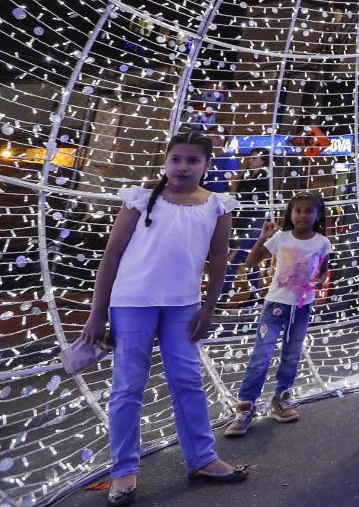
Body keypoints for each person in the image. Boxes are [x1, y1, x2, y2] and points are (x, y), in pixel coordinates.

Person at [80, 132, 249, 506]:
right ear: (166, 161)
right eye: (176, 159)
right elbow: (111, 257)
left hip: (184, 307)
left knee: (187, 381)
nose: (183, 167)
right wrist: (97, 313)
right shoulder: (140, 200)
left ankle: (202, 458)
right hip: (131, 305)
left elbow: (219, 259)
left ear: (207, 164)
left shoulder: (217, 206)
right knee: (127, 387)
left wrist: (209, 308)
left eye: (192, 160)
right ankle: (123, 469)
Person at [224, 192, 332, 436]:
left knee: (292, 354)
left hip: (302, 307)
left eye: (308, 210)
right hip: (275, 305)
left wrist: (319, 281)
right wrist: (262, 238)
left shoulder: (322, 242)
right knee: (261, 355)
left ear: (318, 215)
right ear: (290, 214)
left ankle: (281, 398)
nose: (302, 215)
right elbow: (251, 262)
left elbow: (324, 270)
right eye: (297, 210)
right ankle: (246, 405)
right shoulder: (280, 238)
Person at [222, 147, 271, 296]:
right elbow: (237, 197)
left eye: (254, 158)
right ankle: (256, 293)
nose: (250, 160)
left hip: (255, 222)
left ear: (263, 161)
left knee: (234, 257)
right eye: (250, 158)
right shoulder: (247, 177)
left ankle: (223, 294)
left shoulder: (264, 179)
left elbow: (253, 199)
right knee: (248, 259)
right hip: (243, 221)